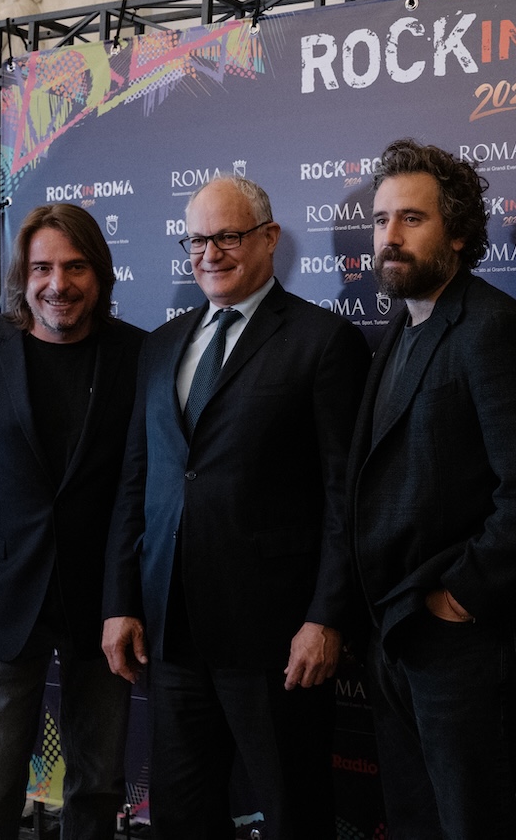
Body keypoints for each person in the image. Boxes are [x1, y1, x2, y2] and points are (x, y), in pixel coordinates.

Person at [101, 175, 369, 839]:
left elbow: (346, 497)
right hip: (173, 630)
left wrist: (325, 617)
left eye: (228, 236)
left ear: (270, 238)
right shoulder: (161, 345)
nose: (210, 252)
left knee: (291, 810)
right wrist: (120, 600)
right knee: (183, 813)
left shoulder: (323, 341)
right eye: (197, 239)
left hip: (276, 637)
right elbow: (139, 481)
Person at [346, 138, 516, 839]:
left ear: (461, 232)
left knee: (470, 823)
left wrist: (459, 598)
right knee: (416, 820)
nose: (390, 237)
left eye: (411, 219)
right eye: (382, 220)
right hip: (397, 630)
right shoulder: (404, 327)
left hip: (461, 640)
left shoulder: (491, 329)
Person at [0, 203, 144, 839]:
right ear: (22, 275)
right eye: (41, 267)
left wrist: (126, 599)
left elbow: (136, 491)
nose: (57, 284)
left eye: (74, 267)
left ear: (99, 273)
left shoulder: (138, 355)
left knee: (97, 789)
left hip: (104, 606)